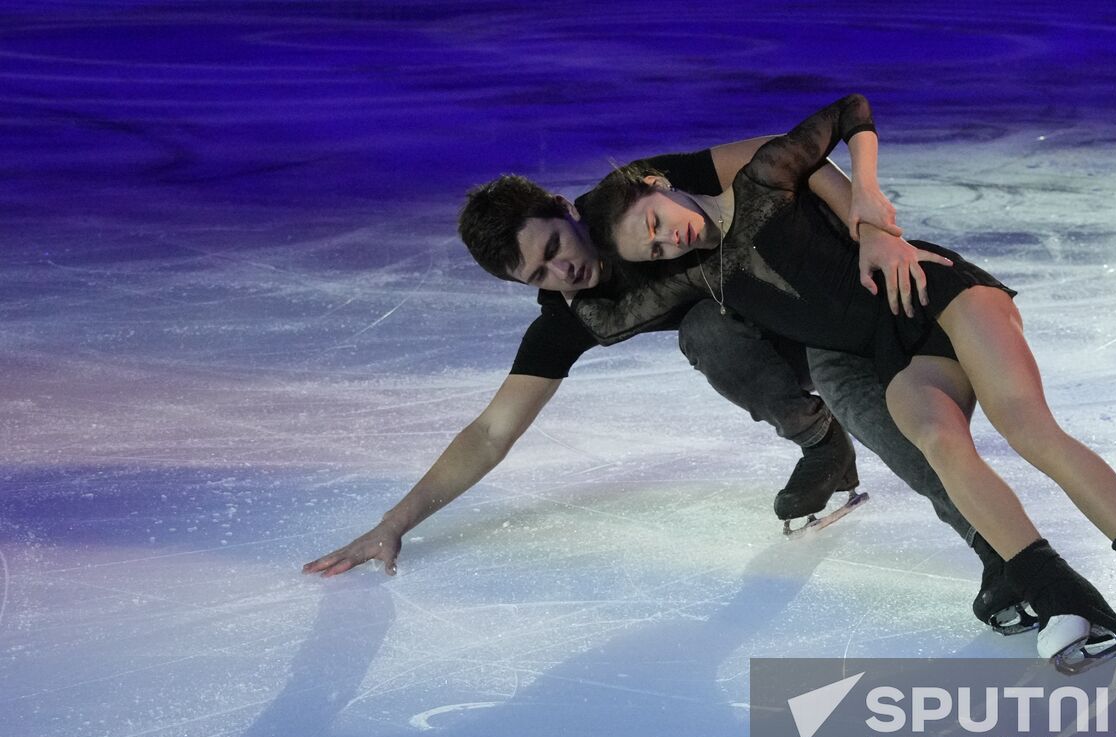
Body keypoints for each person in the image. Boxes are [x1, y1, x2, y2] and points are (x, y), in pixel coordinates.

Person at [580, 94, 1116, 670]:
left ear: (657, 183)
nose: (671, 239)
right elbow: (606, 317)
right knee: (936, 439)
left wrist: (866, 195)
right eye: (658, 249)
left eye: (657, 223)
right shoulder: (708, 276)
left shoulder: (764, 177)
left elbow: (851, 111)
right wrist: (560, 254)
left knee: (1027, 428)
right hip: (892, 345)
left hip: (935, 293)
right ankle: (1066, 600)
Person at [305, 136, 1027, 634]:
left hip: (841, 288)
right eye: (539, 275)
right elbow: (492, 432)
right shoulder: (572, 312)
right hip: (780, 337)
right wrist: (393, 524)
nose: (563, 273)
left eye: (555, 248)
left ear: (565, 208)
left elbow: (788, 155)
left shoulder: (636, 194)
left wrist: (868, 225)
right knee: (707, 334)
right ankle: (821, 445)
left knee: (871, 412)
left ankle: (1000, 554)